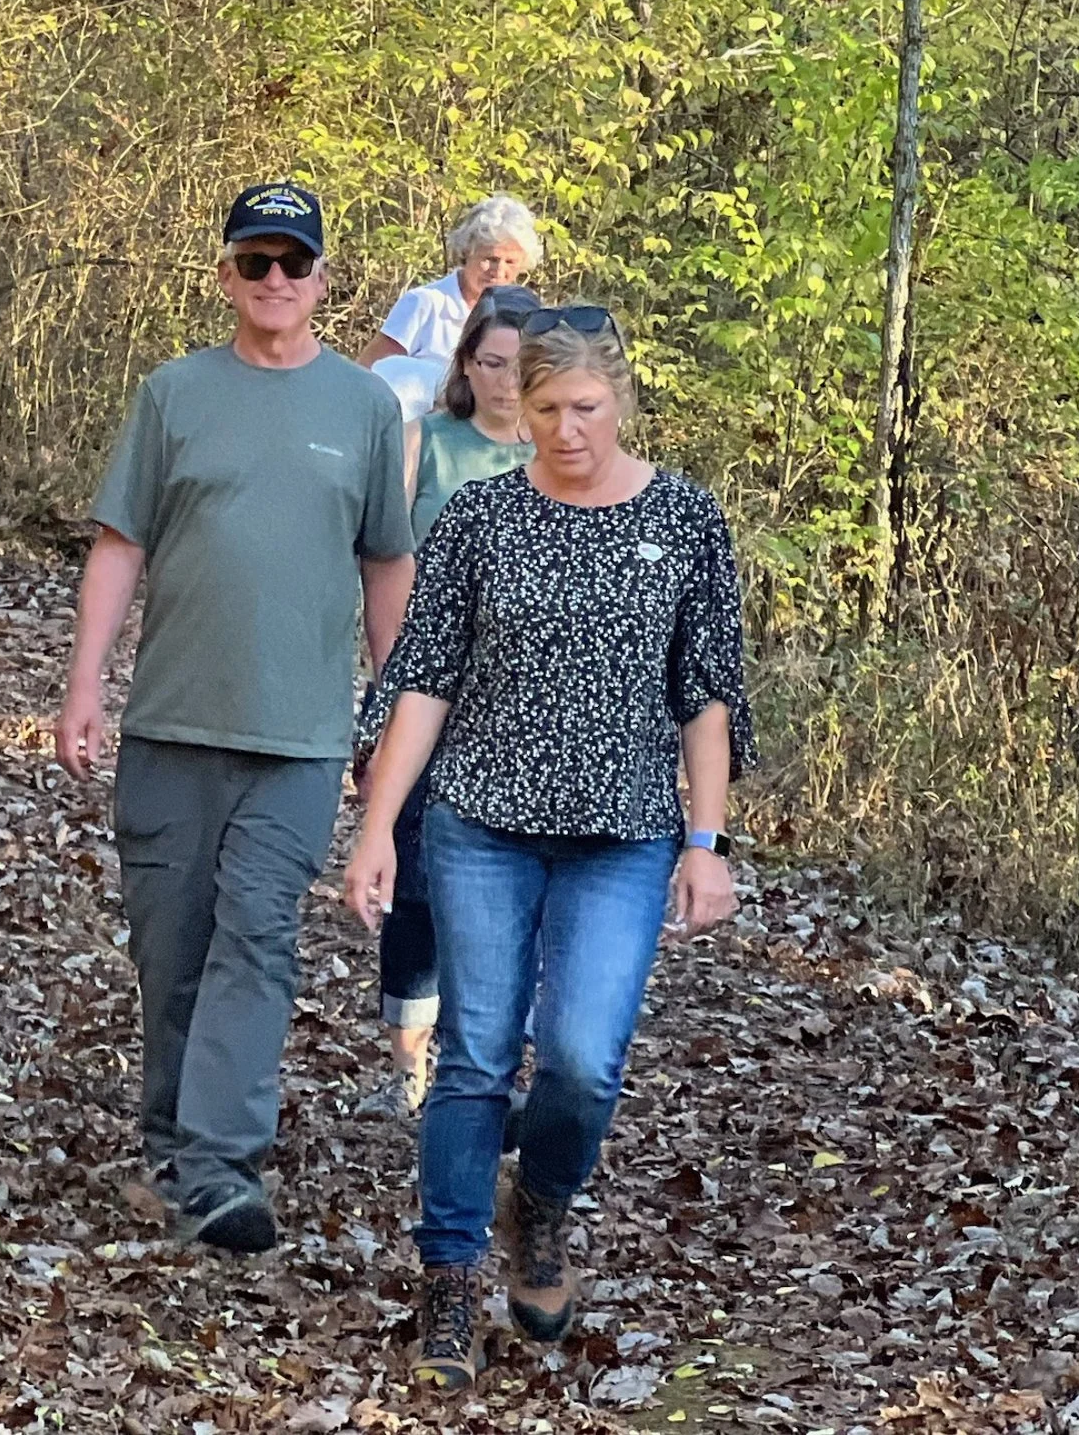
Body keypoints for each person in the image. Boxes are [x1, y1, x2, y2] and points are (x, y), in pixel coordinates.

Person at [344, 310, 750, 1394]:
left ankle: (545, 1202)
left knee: (580, 1060)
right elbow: (421, 679)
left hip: (620, 836)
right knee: (474, 1054)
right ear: (514, 411)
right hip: (478, 822)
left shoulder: (685, 519)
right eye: (544, 411)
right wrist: (380, 824)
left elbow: (707, 693)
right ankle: (446, 1277)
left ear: (619, 400)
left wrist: (704, 844)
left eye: (585, 408)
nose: (566, 431)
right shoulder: (481, 517)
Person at [56, 182, 415, 1258]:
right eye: (254, 262)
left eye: (292, 265)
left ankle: (220, 1163)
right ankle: (174, 1141)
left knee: (256, 938)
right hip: (170, 723)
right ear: (224, 275)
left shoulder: (363, 410)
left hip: (299, 739)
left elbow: (386, 564)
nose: (274, 282)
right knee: (173, 948)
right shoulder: (174, 394)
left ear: (320, 281)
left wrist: (387, 723)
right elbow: (120, 545)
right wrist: (86, 683)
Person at [360, 286, 540, 1123]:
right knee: (419, 879)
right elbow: (383, 565)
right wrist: (392, 682)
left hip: (528, 710)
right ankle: (408, 1061)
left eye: (521, 365)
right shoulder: (422, 442)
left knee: (508, 889)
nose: (506, 381)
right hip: (426, 695)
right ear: (466, 361)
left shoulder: (559, 457)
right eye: (491, 361)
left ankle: (486, 1063)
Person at [368, 198, 542, 423]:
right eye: (490, 259)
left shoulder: (525, 316)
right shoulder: (424, 303)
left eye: (510, 262)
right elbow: (369, 374)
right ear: (467, 252)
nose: (499, 271)